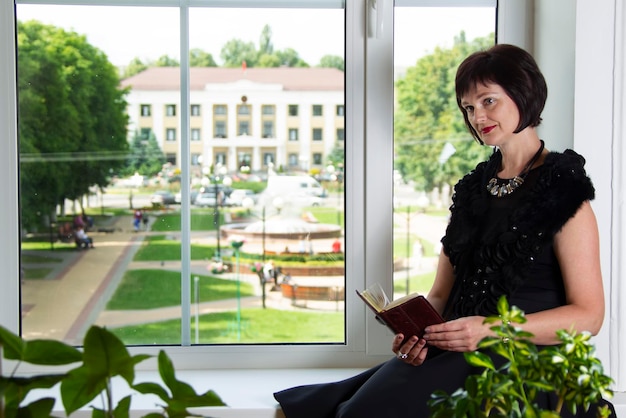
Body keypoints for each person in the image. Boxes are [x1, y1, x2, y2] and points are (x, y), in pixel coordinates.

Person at [273, 44, 615, 417]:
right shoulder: (472, 190)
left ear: (525, 93)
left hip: (523, 365)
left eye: (488, 101)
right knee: (334, 407)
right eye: (468, 107)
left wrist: (489, 330)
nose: (477, 116)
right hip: (459, 353)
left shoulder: (564, 190)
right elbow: (439, 296)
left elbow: (589, 317)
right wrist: (416, 334)